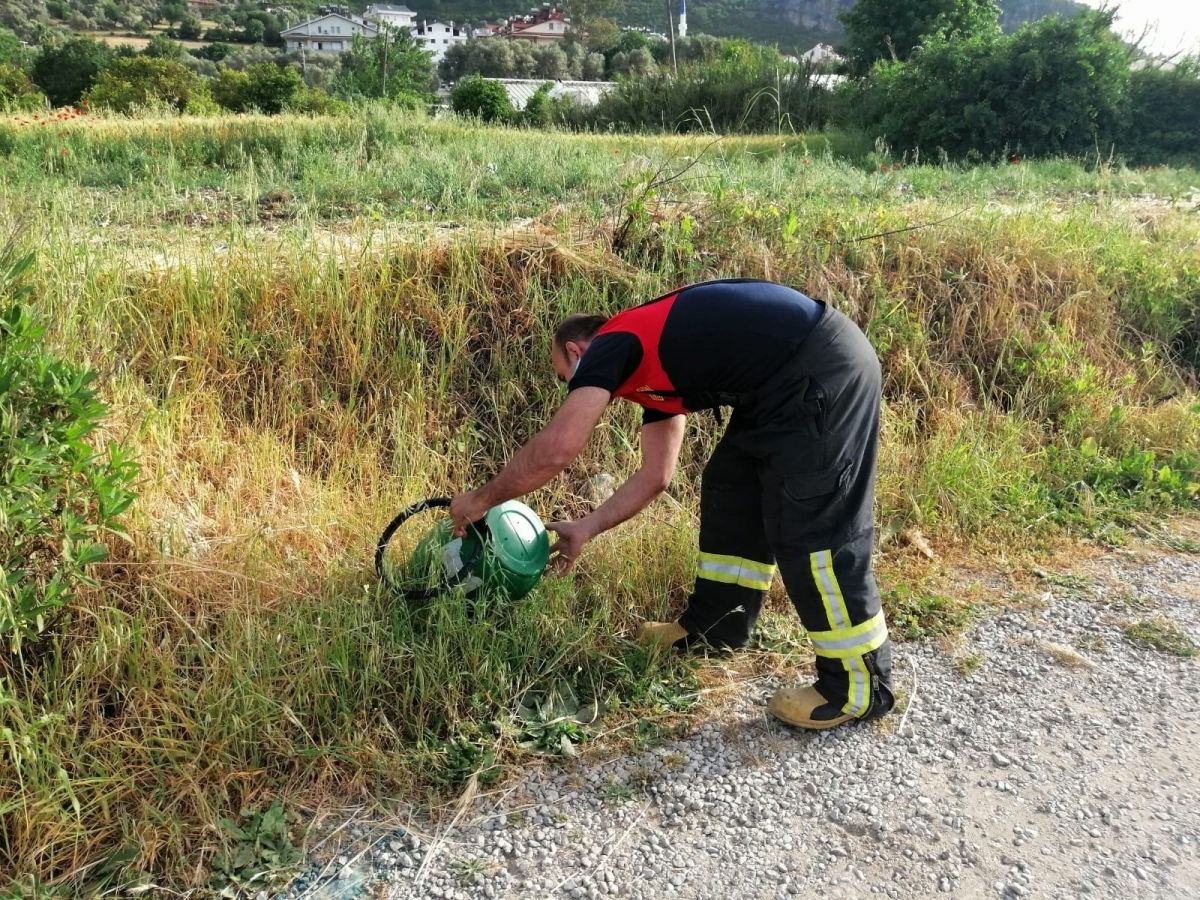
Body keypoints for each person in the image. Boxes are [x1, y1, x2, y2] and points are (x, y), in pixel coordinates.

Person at [450, 278, 894, 730]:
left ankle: (857, 688)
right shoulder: (653, 373)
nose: (572, 386)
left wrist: (482, 500)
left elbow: (559, 447)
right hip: (780, 386)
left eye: (565, 377)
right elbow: (655, 475)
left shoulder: (613, 342)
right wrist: (586, 527)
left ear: (575, 352)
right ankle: (716, 627)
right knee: (732, 487)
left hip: (820, 369)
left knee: (814, 526)